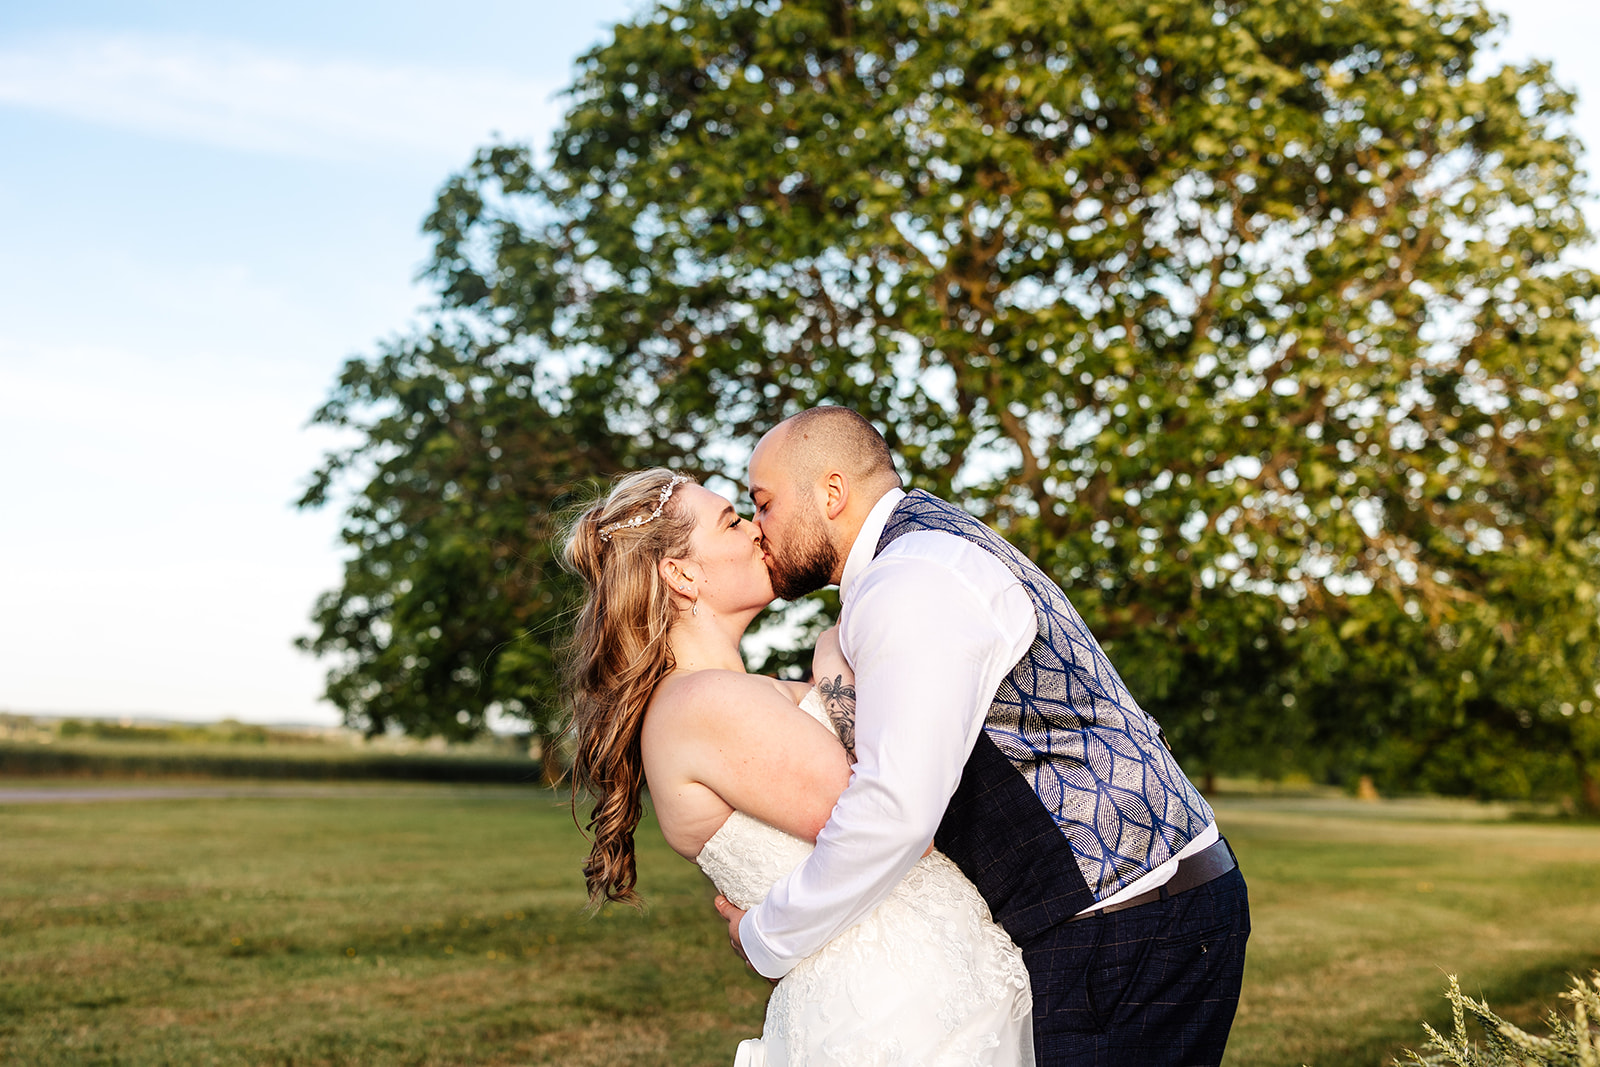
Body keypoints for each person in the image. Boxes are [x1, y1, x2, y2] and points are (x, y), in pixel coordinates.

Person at [714, 406, 1251, 1066]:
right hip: (1139, 909)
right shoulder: (924, 552)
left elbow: (895, 809)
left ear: (831, 493)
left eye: (763, 504)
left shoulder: (909, 579)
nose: (758, 530)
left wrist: (768, 935)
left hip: (1130, 922)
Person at [561, 468, 1034, 1066]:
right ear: (681, 574)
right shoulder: (699, 703)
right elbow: (894, 813)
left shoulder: (740, 694)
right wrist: (835, 664)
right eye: (732, 521)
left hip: (932, 984)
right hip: (892, 1009)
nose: (757, 532)